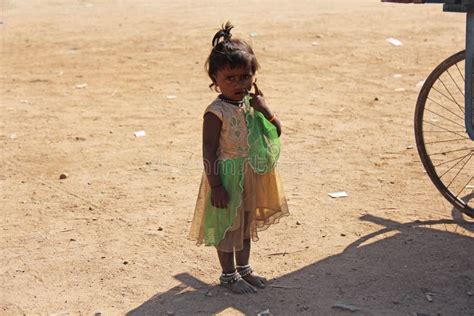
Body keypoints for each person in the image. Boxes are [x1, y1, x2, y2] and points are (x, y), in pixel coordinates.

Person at [189, 22, 289, 294]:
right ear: (215, 81)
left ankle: (244, 269)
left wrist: (266, 110)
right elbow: (208, 150)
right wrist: (217, 186)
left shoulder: (252, 104)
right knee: (226, 227)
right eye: (230, 78)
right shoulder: (215, 112)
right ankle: (228, 275)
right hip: (226, 177)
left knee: (244, 224)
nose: (238, 83)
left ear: (254, 76)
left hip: (250, 174)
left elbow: (276, 132)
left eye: (245, 77)